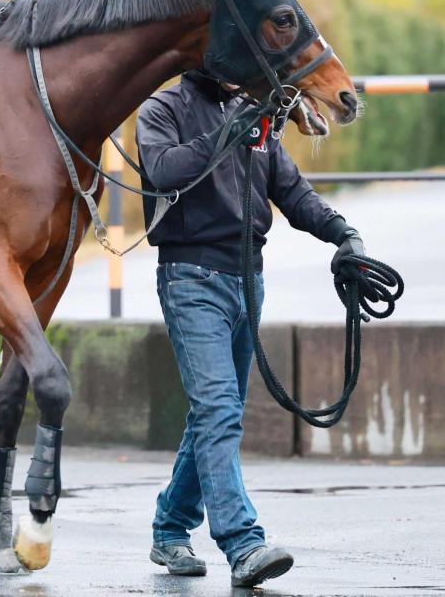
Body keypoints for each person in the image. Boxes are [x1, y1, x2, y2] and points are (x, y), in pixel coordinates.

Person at [135, 69, 363, 588]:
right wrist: (227, 132)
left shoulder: (258, 116)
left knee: (218, 412)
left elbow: (293, 192)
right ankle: (243, 544)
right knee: (218, 409)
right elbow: (165, 168)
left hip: (248, 281)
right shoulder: (162, 110)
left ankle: (170, 527)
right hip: (191, 279)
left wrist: (343, 235)